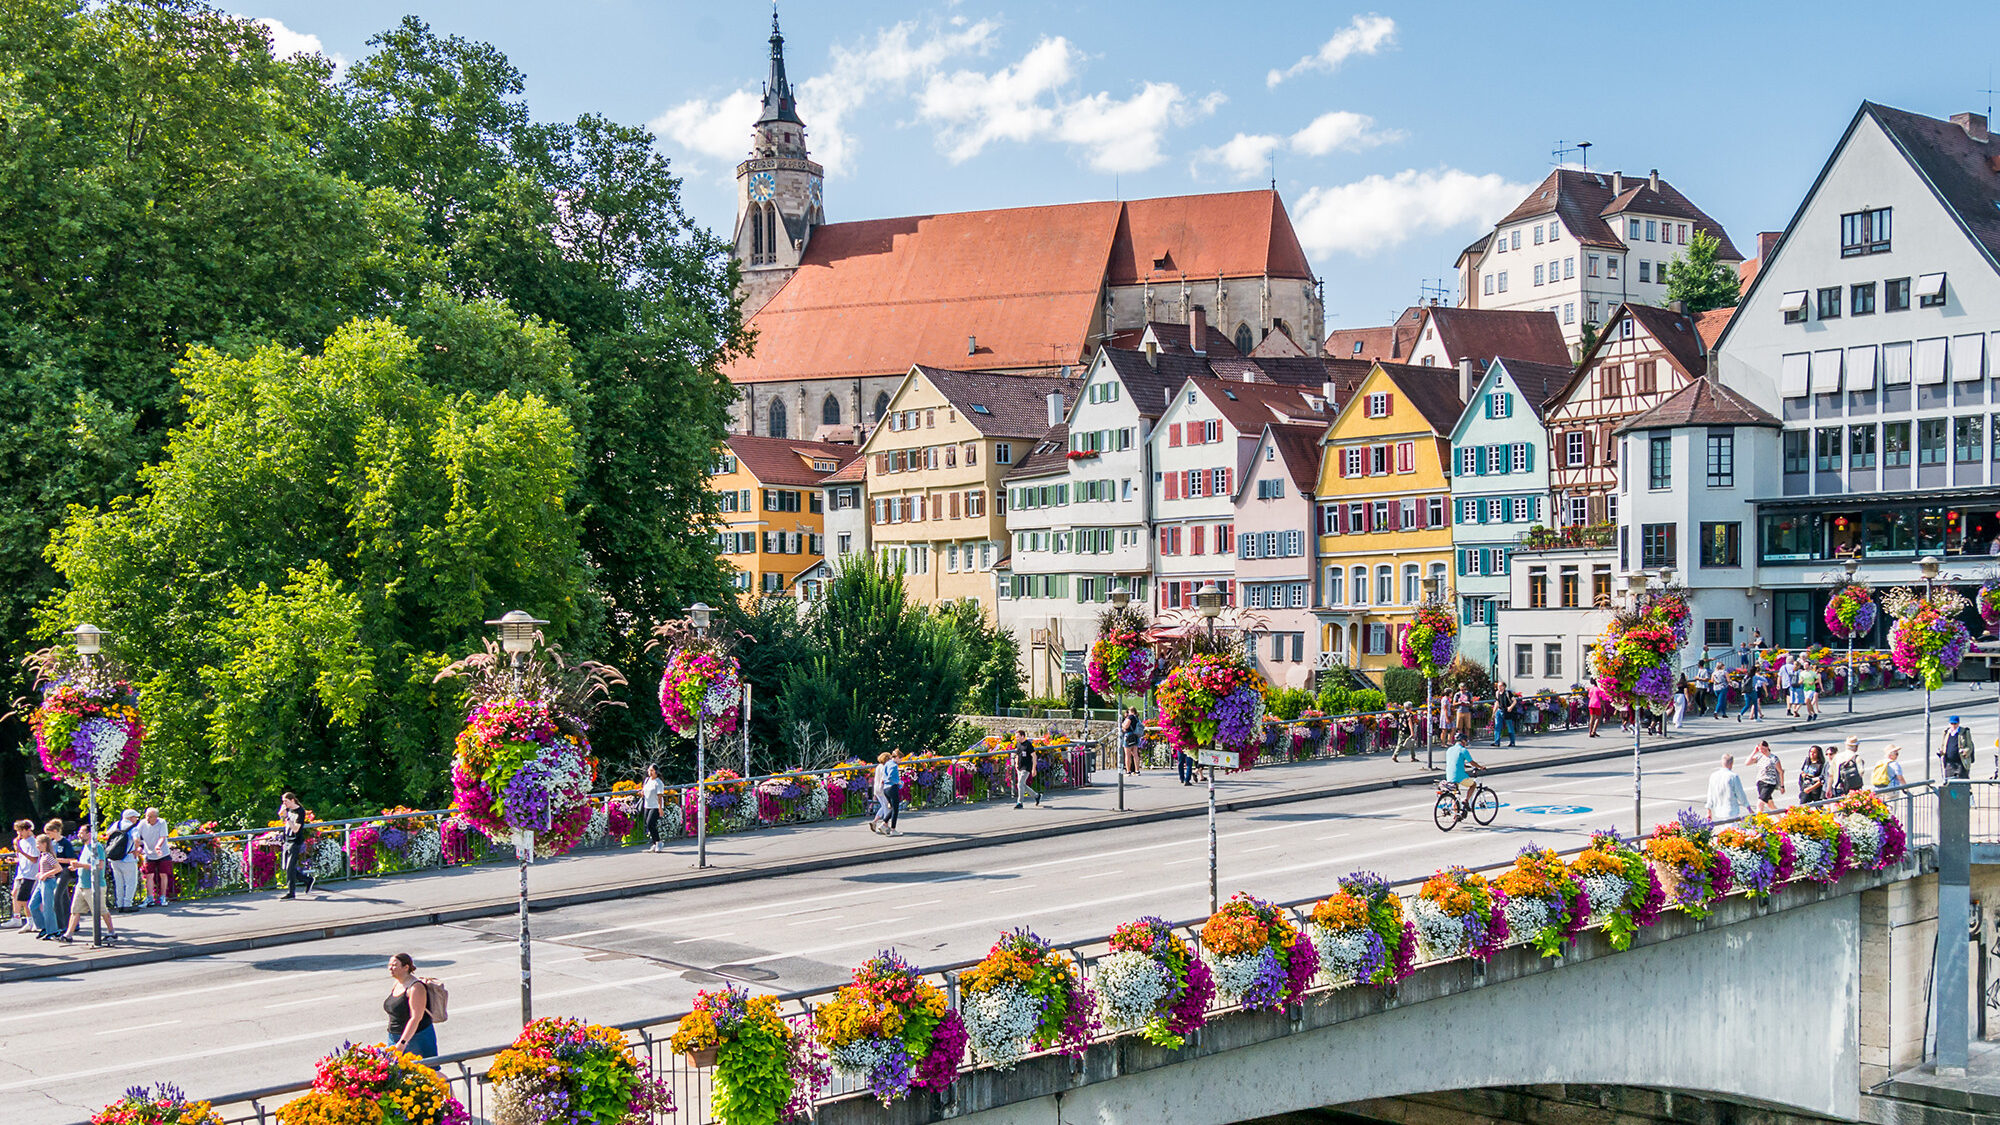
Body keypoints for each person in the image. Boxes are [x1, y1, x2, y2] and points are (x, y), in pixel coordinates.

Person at [61, 826, 114, 945]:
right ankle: (68, 935)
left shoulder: (97, 847)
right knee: (75, 910)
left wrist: (80, 865)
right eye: (79, 832)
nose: (79, 835)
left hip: (95, 885)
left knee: (101, 910)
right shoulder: (85, 847)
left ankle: (111, 932)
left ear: (89, 834)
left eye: (82, 832)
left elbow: (99, 866)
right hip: (82, 884)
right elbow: (85, 864)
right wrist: (76, 867)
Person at [384, 953, 437, 1059]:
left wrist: (403, 1043)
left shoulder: (416, 987)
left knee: (428, 1070)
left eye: (394, 965)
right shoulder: (397, 983)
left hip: (416, 1037)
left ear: (406, 967)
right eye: (389, 964)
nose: (390, 968)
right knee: (396, 1071)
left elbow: (416, 1017)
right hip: (394, 1036)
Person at [29, 834, 67, 941]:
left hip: (48, 882)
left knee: (48, 907)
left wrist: (45, 875)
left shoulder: (49, 856)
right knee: (32, 905)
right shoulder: (43, 855)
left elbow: (58, 868)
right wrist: (40, 874)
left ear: (44, 844)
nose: (37, 846)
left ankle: (53, 931)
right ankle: (44, 927)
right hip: (42, 882)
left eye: (38, 844)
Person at [43, 819, 77, 933]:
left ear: (55, 831)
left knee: (56, 895)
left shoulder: (65, 843)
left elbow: (71, 859)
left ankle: (60, 924)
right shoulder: (52, 843)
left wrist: (56, 860)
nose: (48, 836)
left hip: (65, 870)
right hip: (56, 872)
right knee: (64, 897)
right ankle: (71, 923)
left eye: (49, 833)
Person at [277, 793, 313, 899]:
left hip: (295, 841)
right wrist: (283, 809)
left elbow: (296, 829)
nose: (284, 803)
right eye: (283, 801)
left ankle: (291, 892)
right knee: (286, 867)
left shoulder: (300, 811)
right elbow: (280, 815)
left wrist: (288, 820)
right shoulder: (288, 809)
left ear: (292, 800)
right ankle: (307, 880)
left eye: (286, 801)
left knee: (290, 867)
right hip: (287, 840)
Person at [133, 807, 171, 908]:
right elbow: (137, 836)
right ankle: (150, 898)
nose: (148, 819)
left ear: (156, 817)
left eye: (150, 817)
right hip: (149, 853)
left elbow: (163, 837)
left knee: (163, 875)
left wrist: (158, 846)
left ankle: (162, 897)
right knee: (149, 875)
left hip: (163, 853)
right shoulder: (142, 823)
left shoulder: (162, 822)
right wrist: (138, 847)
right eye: (147, 816)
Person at [105, 810, 139, 913]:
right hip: (128, 858)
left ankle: (119, 904)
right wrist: (136, 850)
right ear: (130, 817)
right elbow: (136, 840)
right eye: (135, 817)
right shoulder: (133, 828)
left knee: (119, 882)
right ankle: (127, 904)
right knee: (130, 882)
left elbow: (107, 834)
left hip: (115, 858)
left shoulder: (116, 824)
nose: (136, 819)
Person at [1704, 754, 1751, 823]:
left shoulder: (1713, 776)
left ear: (1721, 762)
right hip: (1731, 811)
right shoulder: (1733, 776)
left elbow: (1710, 794)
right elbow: (1740, 794)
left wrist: (1709, 811)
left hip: (1718, 812)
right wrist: (1748, 807)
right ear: (1732, 763)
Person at [1446, 735, 1483, 810]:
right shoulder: (1463, 750)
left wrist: (1463, 765)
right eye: (1466, 741)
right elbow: (1472, 762)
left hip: (1449, 775)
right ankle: (1466, 800)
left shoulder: (1449, 750)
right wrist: (1480, 767)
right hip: (1459, 776)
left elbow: (1454, 762)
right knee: (1473, 784)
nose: (1466, 743)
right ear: (1463, 741)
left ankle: (1456, 815)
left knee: (1455, 794)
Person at [11, 820, 35, 931]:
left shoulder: (33, 842)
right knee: (15, 894)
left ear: (27, 830)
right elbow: (22, 858)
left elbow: (34, 859)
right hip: (22, 873)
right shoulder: (22, 841)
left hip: (30, 874)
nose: (19, 834)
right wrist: (15, 859)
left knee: (24, 899)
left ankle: (30, 921)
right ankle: (18, 918)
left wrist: (21, 852)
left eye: (21, 831)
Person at [1747, 740, 1784, 812]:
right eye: (1760, 749)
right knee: (1770, 804)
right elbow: (1747, 763)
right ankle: (1782, 820)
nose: (1762, 751)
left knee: (1760, 804)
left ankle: (1760, 821)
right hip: (1760, 782)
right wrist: (1754, 752)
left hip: (1769, 783)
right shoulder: (1759, 757)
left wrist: (1782, 786)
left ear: (1767, 747)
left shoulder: (1773, 758)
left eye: (1763, 749)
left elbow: (1780, 772)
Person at [640, 766, 667, 852]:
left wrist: (660, 808)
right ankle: (654, 843)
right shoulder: (647, 780)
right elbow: (644, 791)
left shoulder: (658, 782)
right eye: (649, 770)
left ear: (656, 772)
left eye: (652, 771)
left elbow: (660, 796)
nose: (650, 772)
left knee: (650, 823)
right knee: (648, 825)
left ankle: (658, 842)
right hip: (647, 805)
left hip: (655, 806)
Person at [1940, 716, 1973, 780]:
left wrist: (1965, 751)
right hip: (1949, 763)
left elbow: (1970, 746)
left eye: (1955, 724)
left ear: (1958, 723)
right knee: (1949, 783)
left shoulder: (1964, 732)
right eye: (1951, 724)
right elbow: (1943, 746)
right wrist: (1941, 752)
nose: (1953, 726)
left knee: (1962, 782)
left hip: (1960, 762)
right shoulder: (1947, 732)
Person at [1013, 732, 1040, 809]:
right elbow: (1017, 755)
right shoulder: (1018, 744)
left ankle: (1020, 803)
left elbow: (1034, 756)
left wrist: (1034, 769)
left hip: (1026, 767)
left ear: (1022, 736)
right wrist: (1016, 764)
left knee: (1020, 784)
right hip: (1020, 767)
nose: (1016, 738)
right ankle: (1036, 796)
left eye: (1018, 737)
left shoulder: (1028, 745)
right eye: (1016, 737)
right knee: (1022, 785)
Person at [868, 752, 892, 835]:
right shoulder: (885, 767)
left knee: (883, 806)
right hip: (883, 789)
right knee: (887, 808)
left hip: (877, 789)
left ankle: (875, 821)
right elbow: (883, 779)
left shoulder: (878, 767)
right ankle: (885, 825)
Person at [883, 750, 904, 834]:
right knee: (896, 810)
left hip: (886, 788)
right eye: (901, 759)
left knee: (894, 808)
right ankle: (893, 829)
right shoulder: (894, 766)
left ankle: (884, 823)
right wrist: (898, 782)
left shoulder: (887, 763)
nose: (901, 761)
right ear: (897, 757)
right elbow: (890, 777)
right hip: (892, 788)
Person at [1492, 682, 1518, 748]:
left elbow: (1514, 701)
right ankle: (1496, 742)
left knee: (1509, 726)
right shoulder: (1497, 693)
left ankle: (1512, 742)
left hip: (1507, 711)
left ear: (1504, 686)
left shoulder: (1507, 693)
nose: (1499, 687)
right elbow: (1497, 702)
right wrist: (1494, 712)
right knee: (1497, 726)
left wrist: (1510, 707)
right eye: (1498, 686)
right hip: (1500, 710)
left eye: (1500, 686)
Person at [1119, 708, 1143, 774]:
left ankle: (1128, 770)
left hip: (1129, 736)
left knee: (1127, 754)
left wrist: (1121, 724)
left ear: (1130, 711)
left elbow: (1126, 726)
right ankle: (1137, 770)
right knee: (1135, 754)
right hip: (1136, 736)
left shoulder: (1130, 717)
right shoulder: (1137, 718)